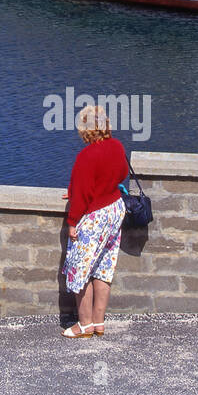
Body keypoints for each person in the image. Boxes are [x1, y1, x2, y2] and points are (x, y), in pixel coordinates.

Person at [61, 104, 129, 338]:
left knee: (81, 270)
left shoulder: (86, 156)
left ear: (85, 130)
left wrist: (72, 223)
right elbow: (120, 175)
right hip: (114, 209)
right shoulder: (117, 146)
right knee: (103, 268)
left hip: (95, 216)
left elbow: (81, 196)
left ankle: (84, 325)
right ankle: (99, 323)